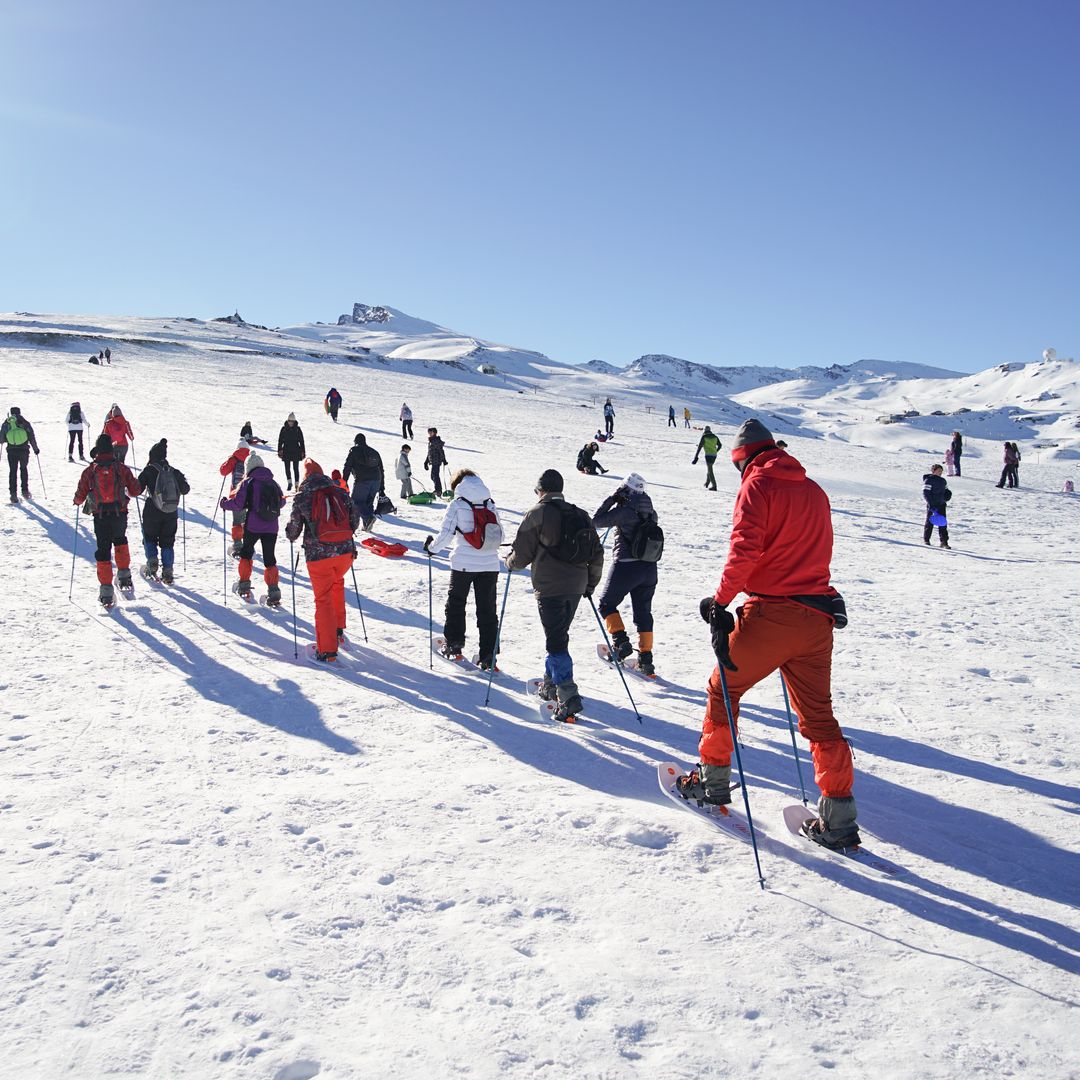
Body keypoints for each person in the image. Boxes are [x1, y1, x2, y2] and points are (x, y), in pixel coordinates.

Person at [676, 418, 860, 851]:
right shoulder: (814, 490)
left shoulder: (758, 485)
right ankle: (839, 818)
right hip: (817, 618)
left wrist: (720, 601)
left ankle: (712, 782)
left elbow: (746, 547)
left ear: (742, 458)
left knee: (723, 688)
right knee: (818, 717)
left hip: (772, 614)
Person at [506, 469, 604, 722]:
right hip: (576, 585)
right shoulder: (581, 515)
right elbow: (597, 554)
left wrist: (509, 563)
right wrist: (590, 585)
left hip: (550, 587)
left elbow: (522, 555)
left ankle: (568, 696)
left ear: (541, 490)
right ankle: (550, 683)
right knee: (558, 634)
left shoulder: (537, 513)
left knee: (556, 641)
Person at [423, 468, 505, 669]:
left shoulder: (458, 504)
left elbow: (446, 534)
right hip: (490, 565)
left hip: (463, 564)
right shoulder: (490, 503)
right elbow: (500, 536)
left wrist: (431, 549)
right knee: (487, 611)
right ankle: (489, 657)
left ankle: (454, 646)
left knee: (456, 605)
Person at [285, 459, 361, 662]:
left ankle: (327, 651)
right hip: (345, 554)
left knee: (323, 598)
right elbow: (355, 519)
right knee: (337, 584)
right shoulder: (339, 492)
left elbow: (293, 530)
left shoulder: (303, 496)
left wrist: (290, 533)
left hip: (319, 556)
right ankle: (338, 629)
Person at [592, 472, 659, 676]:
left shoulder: (625, 510)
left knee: (606, 603)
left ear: (625, 489)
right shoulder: (651, 512)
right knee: (643, 612)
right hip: (649, 569)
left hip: (626, 567)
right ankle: (646, 659)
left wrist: (612, 499)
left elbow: (596, 520)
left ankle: (621, 643)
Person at [74, 433, 141, 606]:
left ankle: (106, 592)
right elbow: (135, 491)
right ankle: (125, 578)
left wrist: (77, 501)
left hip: (100, 515)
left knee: (103, 550)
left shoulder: (91, 470)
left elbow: (81, 494)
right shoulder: (121, 468)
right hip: (119, 513)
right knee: (120, 541)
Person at [221, 452, 285, 602]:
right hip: (272, 527)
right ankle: (274, 590)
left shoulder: (248, 482)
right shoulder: (273, 483)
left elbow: (238, 504)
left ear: (248, 468)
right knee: (270, 558)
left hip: (253, 526)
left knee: (247, 553)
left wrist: (224, 504)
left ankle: (244, 584)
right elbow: (281, 502)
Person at [137, 438, 190, 584]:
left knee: (149, 537)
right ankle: (168, 570)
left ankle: (152, 561)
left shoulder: (149, 470)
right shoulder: (173, 471)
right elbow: (186, 489)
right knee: (168, 542)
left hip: (151, 511)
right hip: (170, 512)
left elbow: (137, 489)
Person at [219, 428, 262, 557]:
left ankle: (238, 545)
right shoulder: (250, 459)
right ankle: (248, 544)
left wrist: (229, 459)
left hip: (236, 495)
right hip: (251, 495)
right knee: (248, 521)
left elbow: (223, 471)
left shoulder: (234, 458)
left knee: (237, 521)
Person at [342, 433, 385, 531]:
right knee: (368, 503)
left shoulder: (354, 451)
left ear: (356, 441)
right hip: (376, 480)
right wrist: (382, 487)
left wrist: (344, 481)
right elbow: (381, 470)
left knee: (355, 502)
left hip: (363, 480)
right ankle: (367, 525)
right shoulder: (374, 452)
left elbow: (347, 467)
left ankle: (368, 518)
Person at [2, 407, 39, 504]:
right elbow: (31, 436)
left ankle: (13, 495)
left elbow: (1, 439)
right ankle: (25, 491)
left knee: (13, 471)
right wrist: (35, 449)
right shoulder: (24, 422)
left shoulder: (6, 423)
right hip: (24, 450)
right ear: (19, 412)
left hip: (11, 450)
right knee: (23, 469)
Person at [923, 463, 951, 548]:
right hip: (932, 504)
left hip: (941, 504)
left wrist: (948, 495)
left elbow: (946, 490)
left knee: (942, 523)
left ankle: (944, 542)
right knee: (930, 522)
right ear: (933, 471)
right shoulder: (929, 480)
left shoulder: (943, 481)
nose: (940, 472)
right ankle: (926, 539)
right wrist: (930, 503)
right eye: (938, 471)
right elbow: (926, 493)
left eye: (941, 471)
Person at [277, 412, 306, 491]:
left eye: (292, 421)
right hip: (286, 450)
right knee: (287, 468)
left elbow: (302, 441)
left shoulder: (298, 429)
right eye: (289, 421)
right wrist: (279, 450)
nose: (290, 423)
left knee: (295, 468)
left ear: (294, 421)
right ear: (287, 420)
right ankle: (289, 482)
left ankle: (296, 484)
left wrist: (303, 451)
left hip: (296, 450)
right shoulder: (283, 429)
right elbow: (280, 440)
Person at [424, 427, 448, 494]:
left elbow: (441, 451)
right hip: (433, 461)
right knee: (433, 476)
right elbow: (429, 452)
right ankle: (438, 489)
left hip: (437, 460)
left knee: (435, 475)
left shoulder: (436, 441)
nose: (429, 434)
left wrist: (444, 460)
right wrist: (426, 461)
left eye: (431, 432)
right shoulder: (431, 441)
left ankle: (438, 490)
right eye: (429, 432)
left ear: (434, 433)